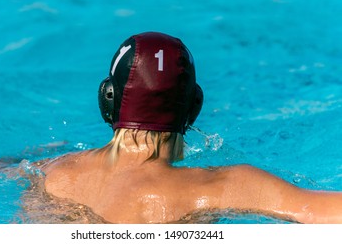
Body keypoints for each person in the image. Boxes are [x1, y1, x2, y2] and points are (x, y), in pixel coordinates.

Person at [42, 31, 342, 224]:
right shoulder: (218, 186)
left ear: (108, 99)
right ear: (193, 108)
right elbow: (316, 211)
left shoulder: (55, 173)